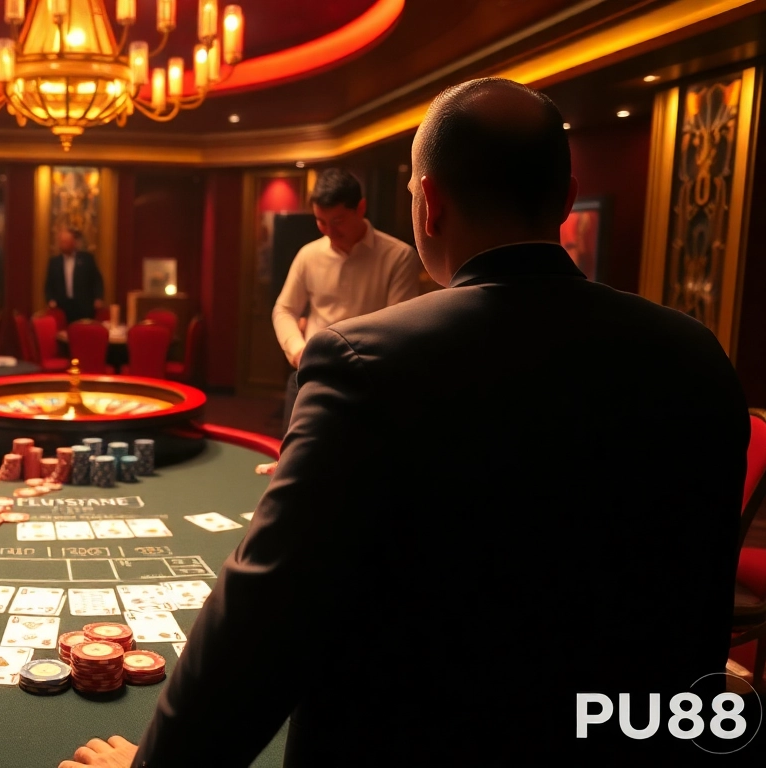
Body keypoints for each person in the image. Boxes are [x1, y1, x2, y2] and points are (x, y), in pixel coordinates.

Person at [61, 78, 746, 766]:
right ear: (566, 201)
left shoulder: (366, 363)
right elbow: (697, 608)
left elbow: (266, 614)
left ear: (430, 203)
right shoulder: (696, 356)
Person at [272, 168, 422, 430]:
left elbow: (399, 332)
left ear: (360, 208)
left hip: (368, 382)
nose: (329, 231)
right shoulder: (308, 255)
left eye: (337, 221)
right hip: (313, 373)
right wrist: (298, 351)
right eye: (321, 221)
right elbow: (284, 309)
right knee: (293, 452)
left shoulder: (398, 257)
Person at [44, 228, 104, 322]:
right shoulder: (54, 262)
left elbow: (97, 280)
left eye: (66, 242)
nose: (63, 245)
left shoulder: (87, 259)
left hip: (84, 306)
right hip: (62, 307)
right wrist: (50, 300)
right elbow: (49, 284)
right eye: (61, 242)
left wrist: (98, 298)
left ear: (73, 243)